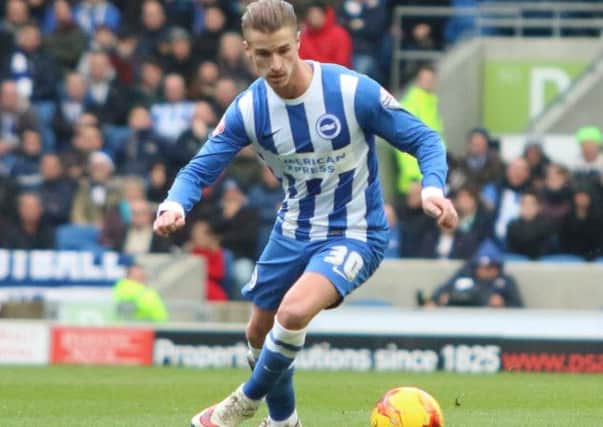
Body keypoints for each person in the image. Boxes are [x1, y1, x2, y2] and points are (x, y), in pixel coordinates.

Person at [153, 2, 457, 426]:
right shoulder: (249, 109)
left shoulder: (352, 92)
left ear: (298, 42)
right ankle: (284, 422)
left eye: (282, 50)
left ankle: (240, 404)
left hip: (356, 231)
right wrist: (173, 205)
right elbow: (199, 169)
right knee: (258, 333)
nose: (275, 64)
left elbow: (425, 139)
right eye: (263, 55)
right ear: (247, 51)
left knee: (292, 313)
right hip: (293, 228)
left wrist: (432, 188)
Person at [425, 240, 523, 308]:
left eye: (490, 267)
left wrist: (503, 305)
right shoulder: (465, 274)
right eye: (481, 266)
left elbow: (518, 306)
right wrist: (436, 300)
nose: (484, 270)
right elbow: (442, 290)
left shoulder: (505, 281)